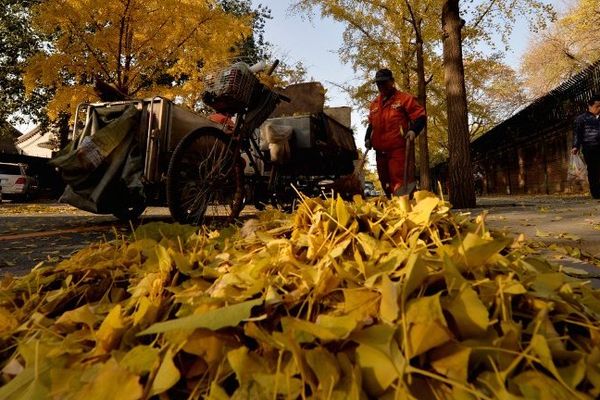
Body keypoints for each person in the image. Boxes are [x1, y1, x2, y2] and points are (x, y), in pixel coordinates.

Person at [364, 68, 426, 197]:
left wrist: (413, 130)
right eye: (378, 83)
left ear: (392, 81)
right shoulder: (374, 104)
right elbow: (371, 124)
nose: (381, 86)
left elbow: (420, 116)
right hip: (380, 151)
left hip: (398, 149)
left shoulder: (404, 99)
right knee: (384, 181)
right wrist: (367, 138)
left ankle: (403, 207)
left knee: (399, 181)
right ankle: (392, 208)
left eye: (384, 82)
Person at [572, 94, 600, 198]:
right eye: (597, 106)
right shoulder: (581, 119)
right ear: (590, 106)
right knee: (593, 170)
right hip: (590, 148)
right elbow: (577, 134)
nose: (599, 108)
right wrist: (575, 146)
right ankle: (596, 193)